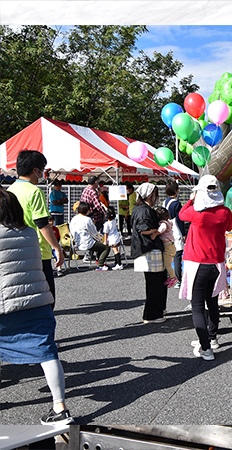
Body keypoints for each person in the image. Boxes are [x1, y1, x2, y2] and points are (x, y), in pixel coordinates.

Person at [0, 188, 74, 425]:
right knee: (47, 352)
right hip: (37, 302)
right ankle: (60, 408)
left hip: (5, 305)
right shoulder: (30, 233)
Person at [179, 175, 232, 361]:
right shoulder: (225, 212)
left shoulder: (196, 212)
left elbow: (180, 214)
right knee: (212, 303)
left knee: (197, 307)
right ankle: (212, 338)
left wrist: (192, 198)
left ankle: (206, 348)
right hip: (217, 264)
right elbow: (229, 226)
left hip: (197, 264)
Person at [7, 150, 64, 306]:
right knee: (48, 298)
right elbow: (42, 224)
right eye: (42, 170)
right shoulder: (34, 191)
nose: (42, 174)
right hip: (39, 251)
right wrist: (57, 248)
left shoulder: (10, 191)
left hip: (18, 250)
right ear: (35, 170)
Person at [130, 183, 168, 324]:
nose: (156, 197)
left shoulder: (140, 208)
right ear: (150, 194)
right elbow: (143, 228)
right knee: (155, 283)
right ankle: (152, 314)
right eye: (155, 194)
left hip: (148, 250)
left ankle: (157, 311)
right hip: (150, 250)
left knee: (156, 282)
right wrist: (155, 232)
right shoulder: (144, 210)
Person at [70, 202, 111, 271]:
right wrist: (93, 223)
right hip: (87, 242)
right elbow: (94, 232)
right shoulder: (87, 219)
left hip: (76, 242)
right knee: (106, 248)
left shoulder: (73, 219)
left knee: (99, 246)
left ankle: (99, 261)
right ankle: (100, 264)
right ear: (87, 210)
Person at [162, 181, 186, 288]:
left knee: (167, 252)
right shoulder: (176, 204)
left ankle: (168, 276)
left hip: (166, 228)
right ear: (176, 190)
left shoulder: (164, 202)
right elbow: (180, 219)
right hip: (175, 228)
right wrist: (184, 233)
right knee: (177, 254)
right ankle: (177, 278)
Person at [154, 206, 178, 288]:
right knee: (167, 263)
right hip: (170, 245)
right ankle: (170, 277)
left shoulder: (163, 224)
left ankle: (173, 277)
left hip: (168, 246)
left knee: (167, 263)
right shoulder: (168, 222)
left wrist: (156, 233)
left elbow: (162, 229)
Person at [103, 206, 124, 270]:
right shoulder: (114, 221)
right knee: (115, 250)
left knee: (115, 251)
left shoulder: (106, 224)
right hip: (116, 236)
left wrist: (105, 241)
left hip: (111, 238)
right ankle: (116, 262)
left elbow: (105, 233)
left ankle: (119, 264)